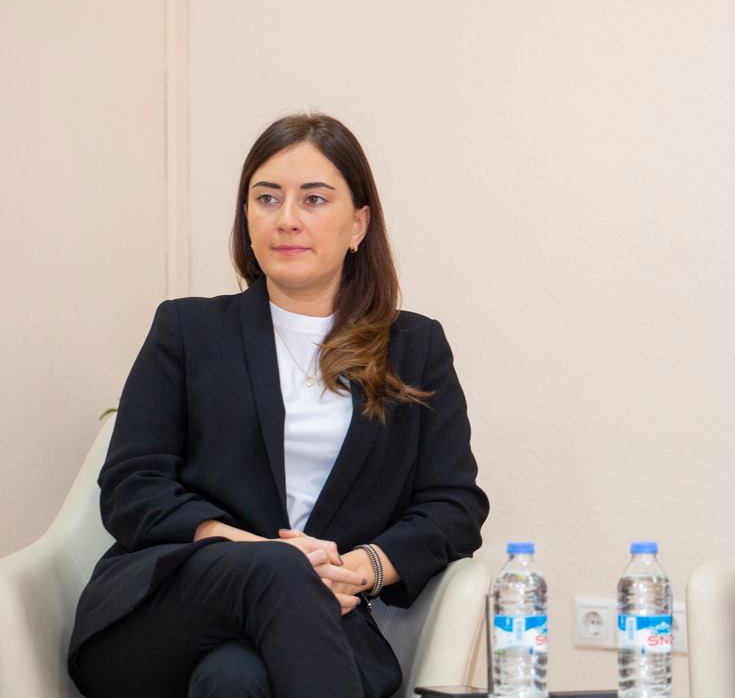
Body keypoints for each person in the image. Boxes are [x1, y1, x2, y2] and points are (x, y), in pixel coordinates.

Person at [67, 114, 490, 698]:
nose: (286, 218)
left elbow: (453, 504)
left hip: (315, 630)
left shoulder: (413, 347)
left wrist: (359, 568)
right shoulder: (188, 330)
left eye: (314, 199)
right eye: (267, 198)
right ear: (246, 218)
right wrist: (267, 555)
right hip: (166, 615)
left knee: (236, 680)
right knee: (275, 581)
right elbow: (132, 487)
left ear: (358, 224)